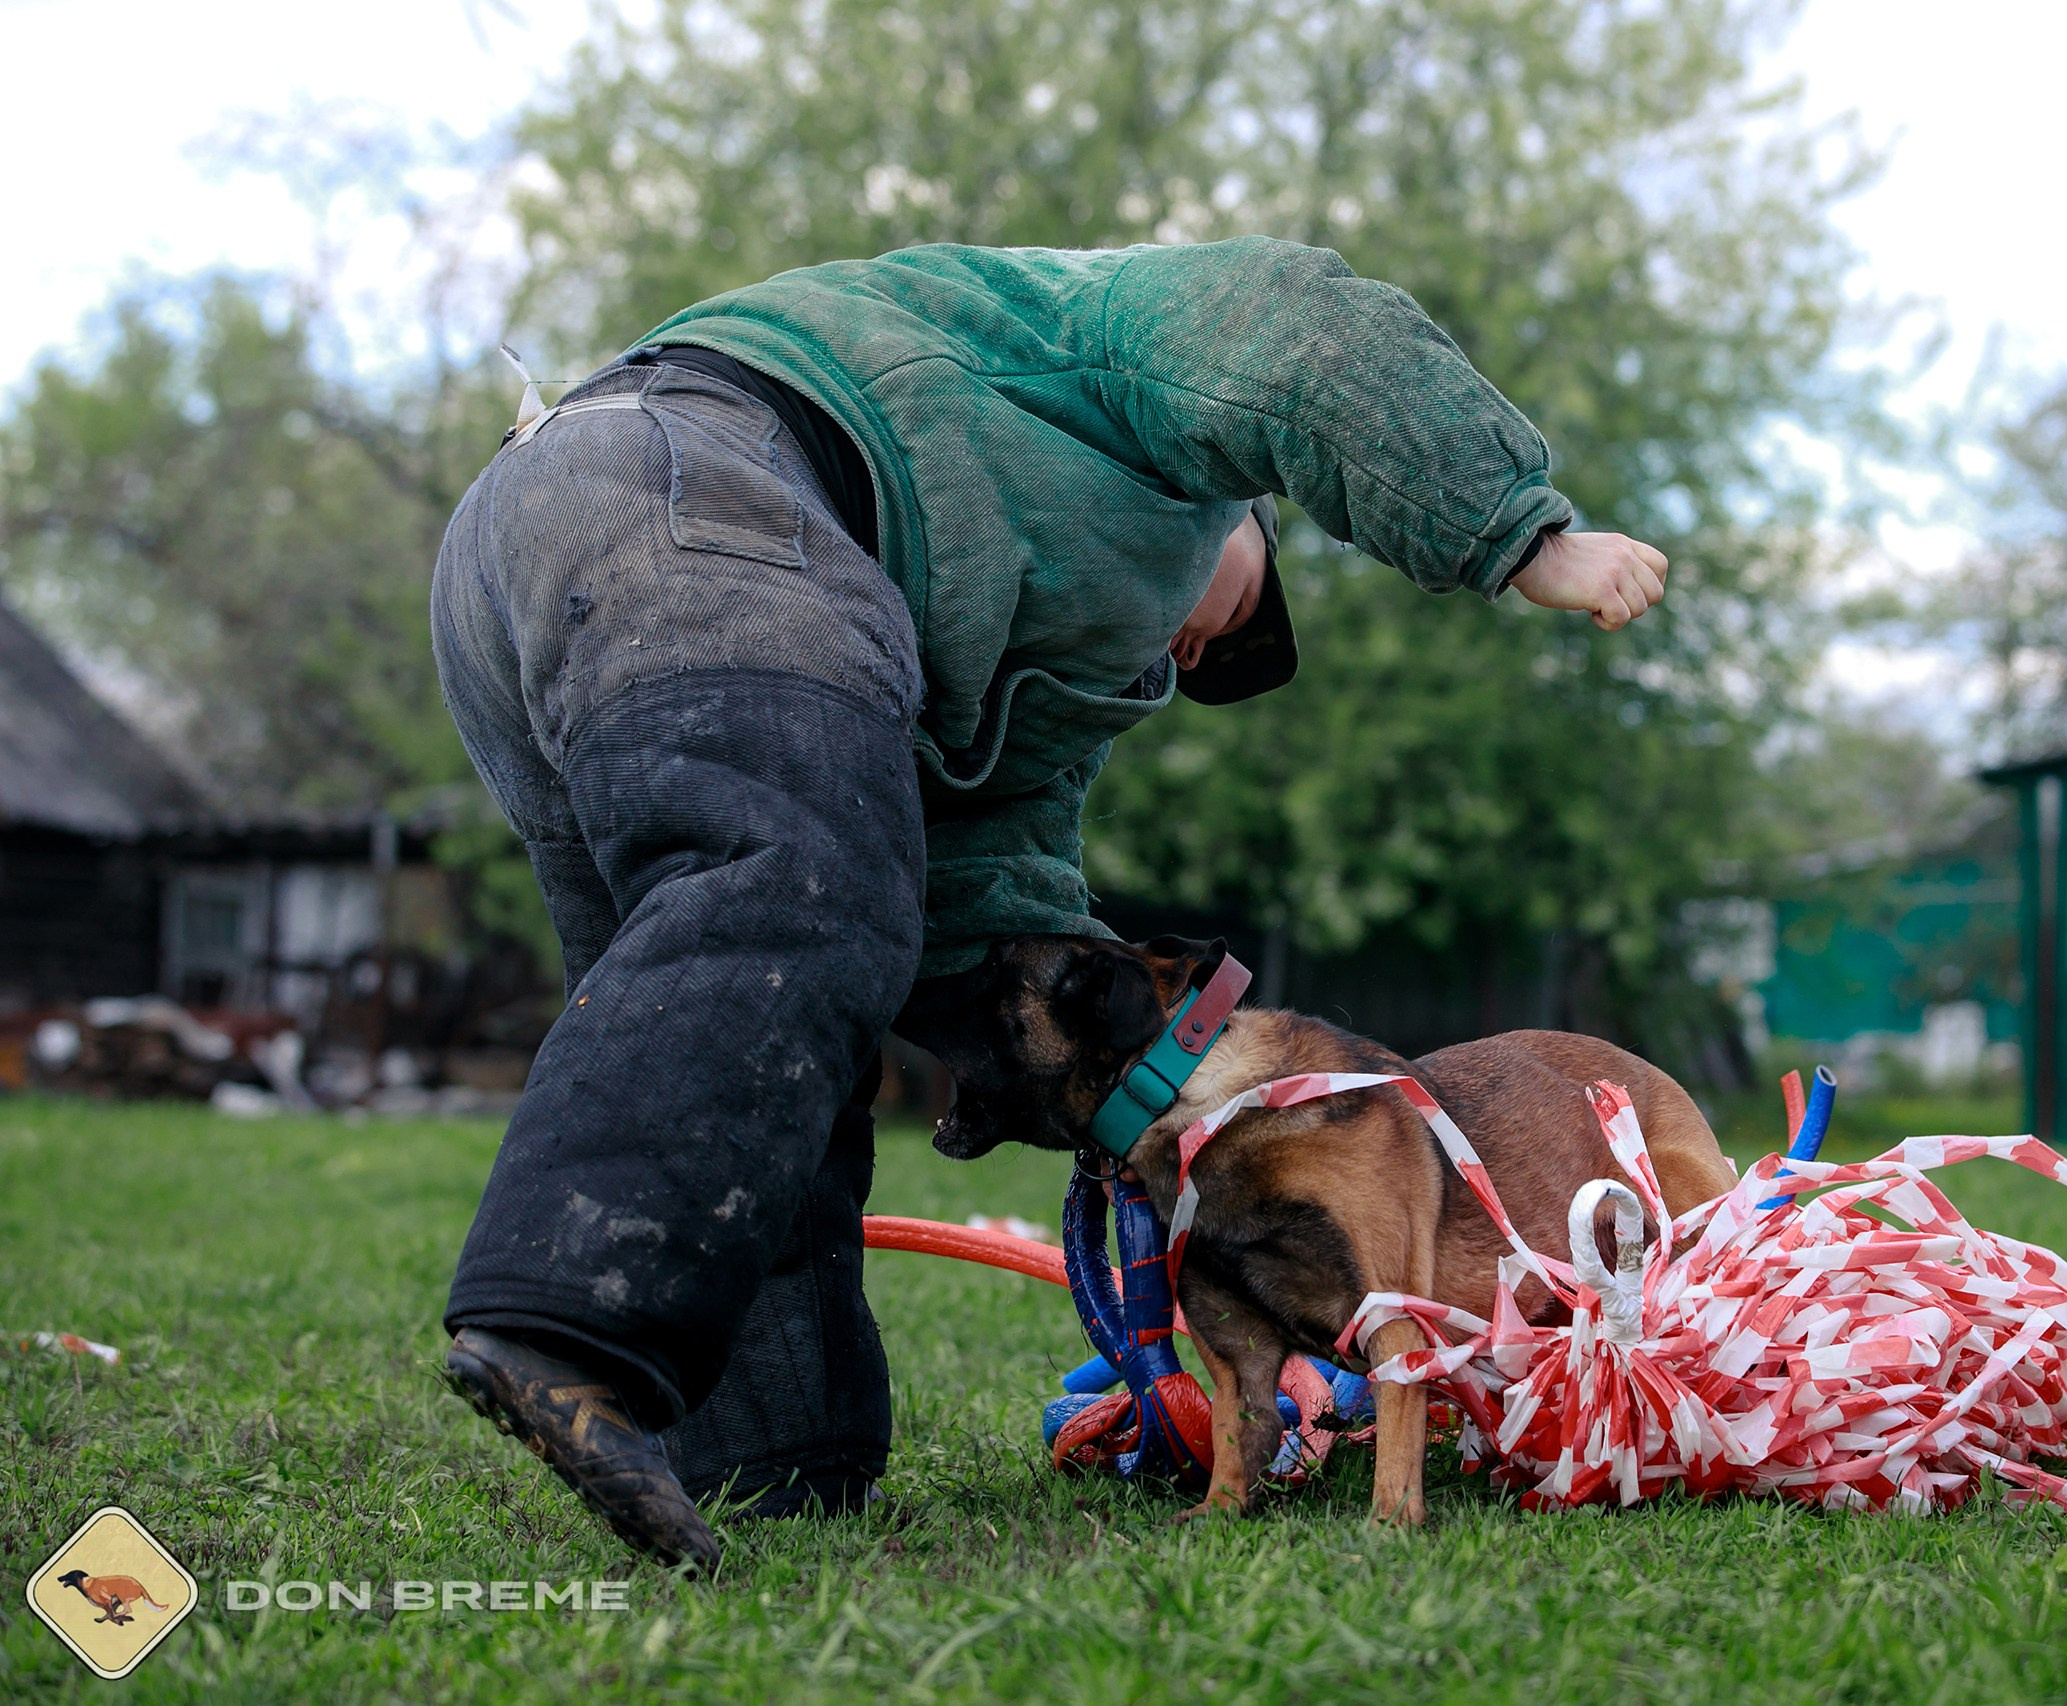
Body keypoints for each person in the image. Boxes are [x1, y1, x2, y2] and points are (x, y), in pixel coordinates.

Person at [428, 236, 1670, 1570]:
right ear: (1232, 498)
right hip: (687, 475)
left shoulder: (1027, 667)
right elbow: (1303, 332)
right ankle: (557, 1326)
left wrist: (1132, 1104)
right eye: (1242, 610)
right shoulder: (1111, 345)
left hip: (542, 569)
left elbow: (1002, 919)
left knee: (772, 1019)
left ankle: (769, 1466)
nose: (1206, 653)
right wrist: (1521, 532)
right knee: (790, 885)